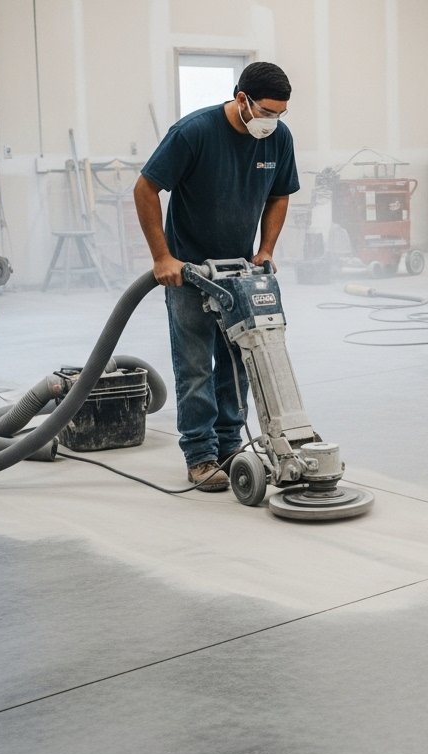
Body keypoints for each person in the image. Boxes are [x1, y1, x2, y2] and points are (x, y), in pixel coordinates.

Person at [134, 62, 299, 491]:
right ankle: (200, 455)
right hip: (188, 271)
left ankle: (229, 446)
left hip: (240, 273)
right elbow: (145, 188)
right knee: (195, 369)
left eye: (279, 113)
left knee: (239, 364)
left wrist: (265, 250)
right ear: (241, 98)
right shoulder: (194, 132)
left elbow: (280, 195)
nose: (272, 121)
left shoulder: (278, 137)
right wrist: (162, 257)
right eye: (265, 111)